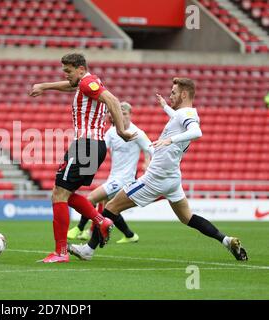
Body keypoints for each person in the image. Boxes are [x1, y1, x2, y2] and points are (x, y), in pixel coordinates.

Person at [68, 78, 248, 262]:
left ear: (184, 94)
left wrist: (172, 140)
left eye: (173, 93)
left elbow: (197, 132)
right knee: (188, 218)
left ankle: (88, 250)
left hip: (155, 178)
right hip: (172, 178)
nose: (170, 96)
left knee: (111, 207)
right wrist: (164, 107)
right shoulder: (184, 114)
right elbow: (179, 119)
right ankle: (226, 240)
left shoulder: (186, 115)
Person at [29, 53, 136, 263]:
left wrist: (121, 130)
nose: (66, 75)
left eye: (69, 71)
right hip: (93, 147)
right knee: (64, 194)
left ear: (80, 69)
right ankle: (101, 221)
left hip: (85, 146)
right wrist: (44, 86)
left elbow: (112, 100)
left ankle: (61, 252)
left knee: (58, 195)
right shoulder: (87, 82)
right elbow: (72, 86)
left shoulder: (87, 82)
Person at [67, 102, 153, 243]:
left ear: (130, 115)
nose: (122, 116)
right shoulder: (112, 132)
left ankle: (80, 228)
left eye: (125, 113)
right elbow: (100, 149)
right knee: (110, 209)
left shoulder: (137, 133)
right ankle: (129, 235)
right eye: (119, 113)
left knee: (91, 198)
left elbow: (150, 149)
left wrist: (148, 162)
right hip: (113, 177)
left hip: (125, 179)